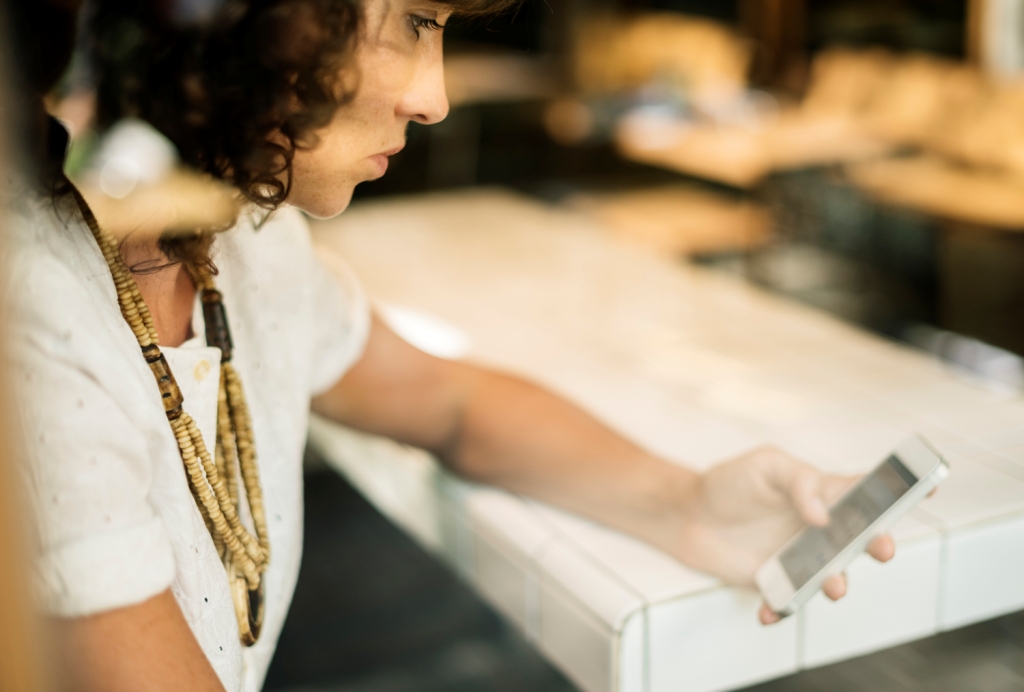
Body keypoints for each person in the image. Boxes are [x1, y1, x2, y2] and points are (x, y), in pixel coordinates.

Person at [6, 1, 894, 690]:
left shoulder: (249, 236)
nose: (432, 98)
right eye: (414, 22)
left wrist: (690, 504)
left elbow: (448, 403)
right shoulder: (34, 325)